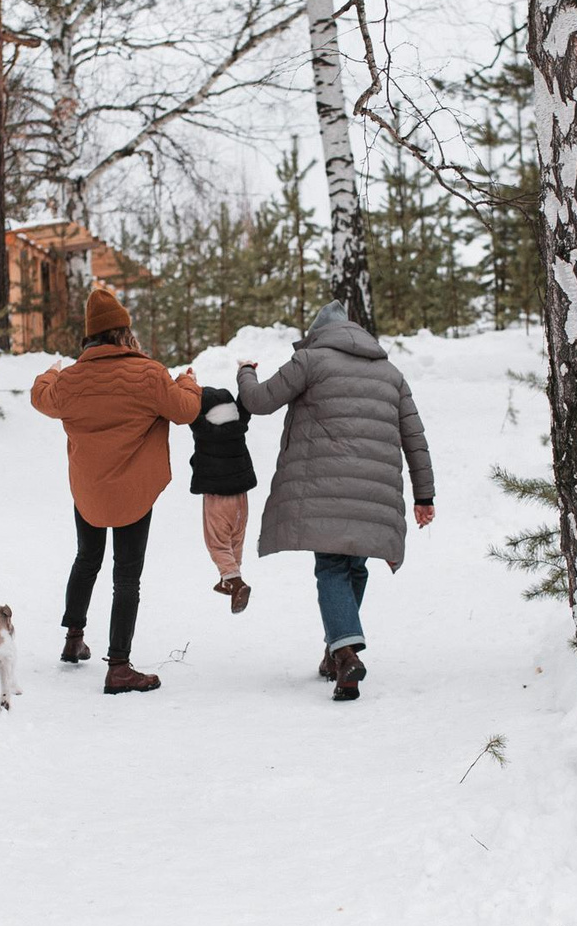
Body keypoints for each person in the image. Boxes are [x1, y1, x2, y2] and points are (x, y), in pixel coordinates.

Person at [238, 300, 435, 703]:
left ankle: (345, 653)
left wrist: (244, 372)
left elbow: (258, 402)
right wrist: (424, 494)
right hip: (374, 493)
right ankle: (336, 652)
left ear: (317, 334)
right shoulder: (390, 373)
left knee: (331, 567)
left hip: (324, 490)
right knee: (354, 567)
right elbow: (415, 437)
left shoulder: (310, 360)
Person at [28, 287, 202, 695]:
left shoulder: (70, 380)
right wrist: (188, 381)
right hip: (132, 492)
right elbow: (185, 410)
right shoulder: (150, 374)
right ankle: (119, 667)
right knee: (126, 577)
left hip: (88, 491)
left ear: (89, 337)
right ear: (124, 333)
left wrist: (50, 372)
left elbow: (41, 398)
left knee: (87, 559)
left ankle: (73, 638)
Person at [188, 382, 256, 613]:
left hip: (217, 497)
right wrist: (246, 372)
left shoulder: (204, 431)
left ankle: (235, 581)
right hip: (241, 498)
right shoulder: (239, 424)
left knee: (217, 542)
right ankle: (230, 578)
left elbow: (190, 413)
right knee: (235, 539)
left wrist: (190, 384)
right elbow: (245, 406)